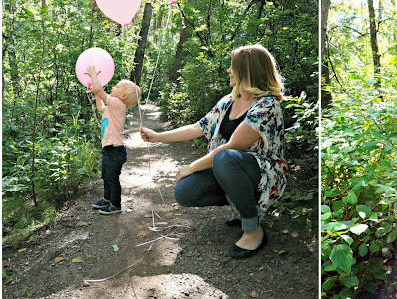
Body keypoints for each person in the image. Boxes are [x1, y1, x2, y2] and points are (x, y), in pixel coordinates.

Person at [140, 44, 287, 260]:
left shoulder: (267, 106)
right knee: (185, 191)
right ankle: (242, 208)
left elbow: (232, 147)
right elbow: (196, 128)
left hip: (265, 175)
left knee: (224, 158)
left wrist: (192, 167)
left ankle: (253, 230)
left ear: (247, 71)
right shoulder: (228, 101)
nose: (228, 70)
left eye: (232, 66)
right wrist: (157, 136)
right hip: (233, 168)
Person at [86, 65, 141, 215]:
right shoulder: (112, 106)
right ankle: (107, 199)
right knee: (106, 176)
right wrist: (97, 94)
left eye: (117, 86)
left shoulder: (118, 104)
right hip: (109, 149)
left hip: (115, 151)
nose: (113, 87)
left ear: (123, 96)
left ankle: (116, 205)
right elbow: (100, 107)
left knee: (112, 178)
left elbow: (100, 91)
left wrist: (93, 76)